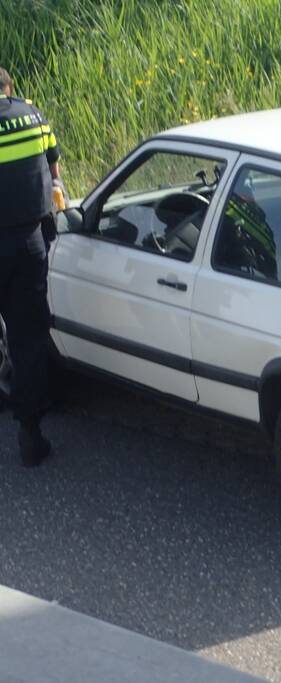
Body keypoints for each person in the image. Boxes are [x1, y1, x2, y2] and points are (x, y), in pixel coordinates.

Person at [0, 66, 63, 466]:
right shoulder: (32, 115)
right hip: (27, 244)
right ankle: (30, 433)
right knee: (27, 339)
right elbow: (55, 171)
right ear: (8, 90)